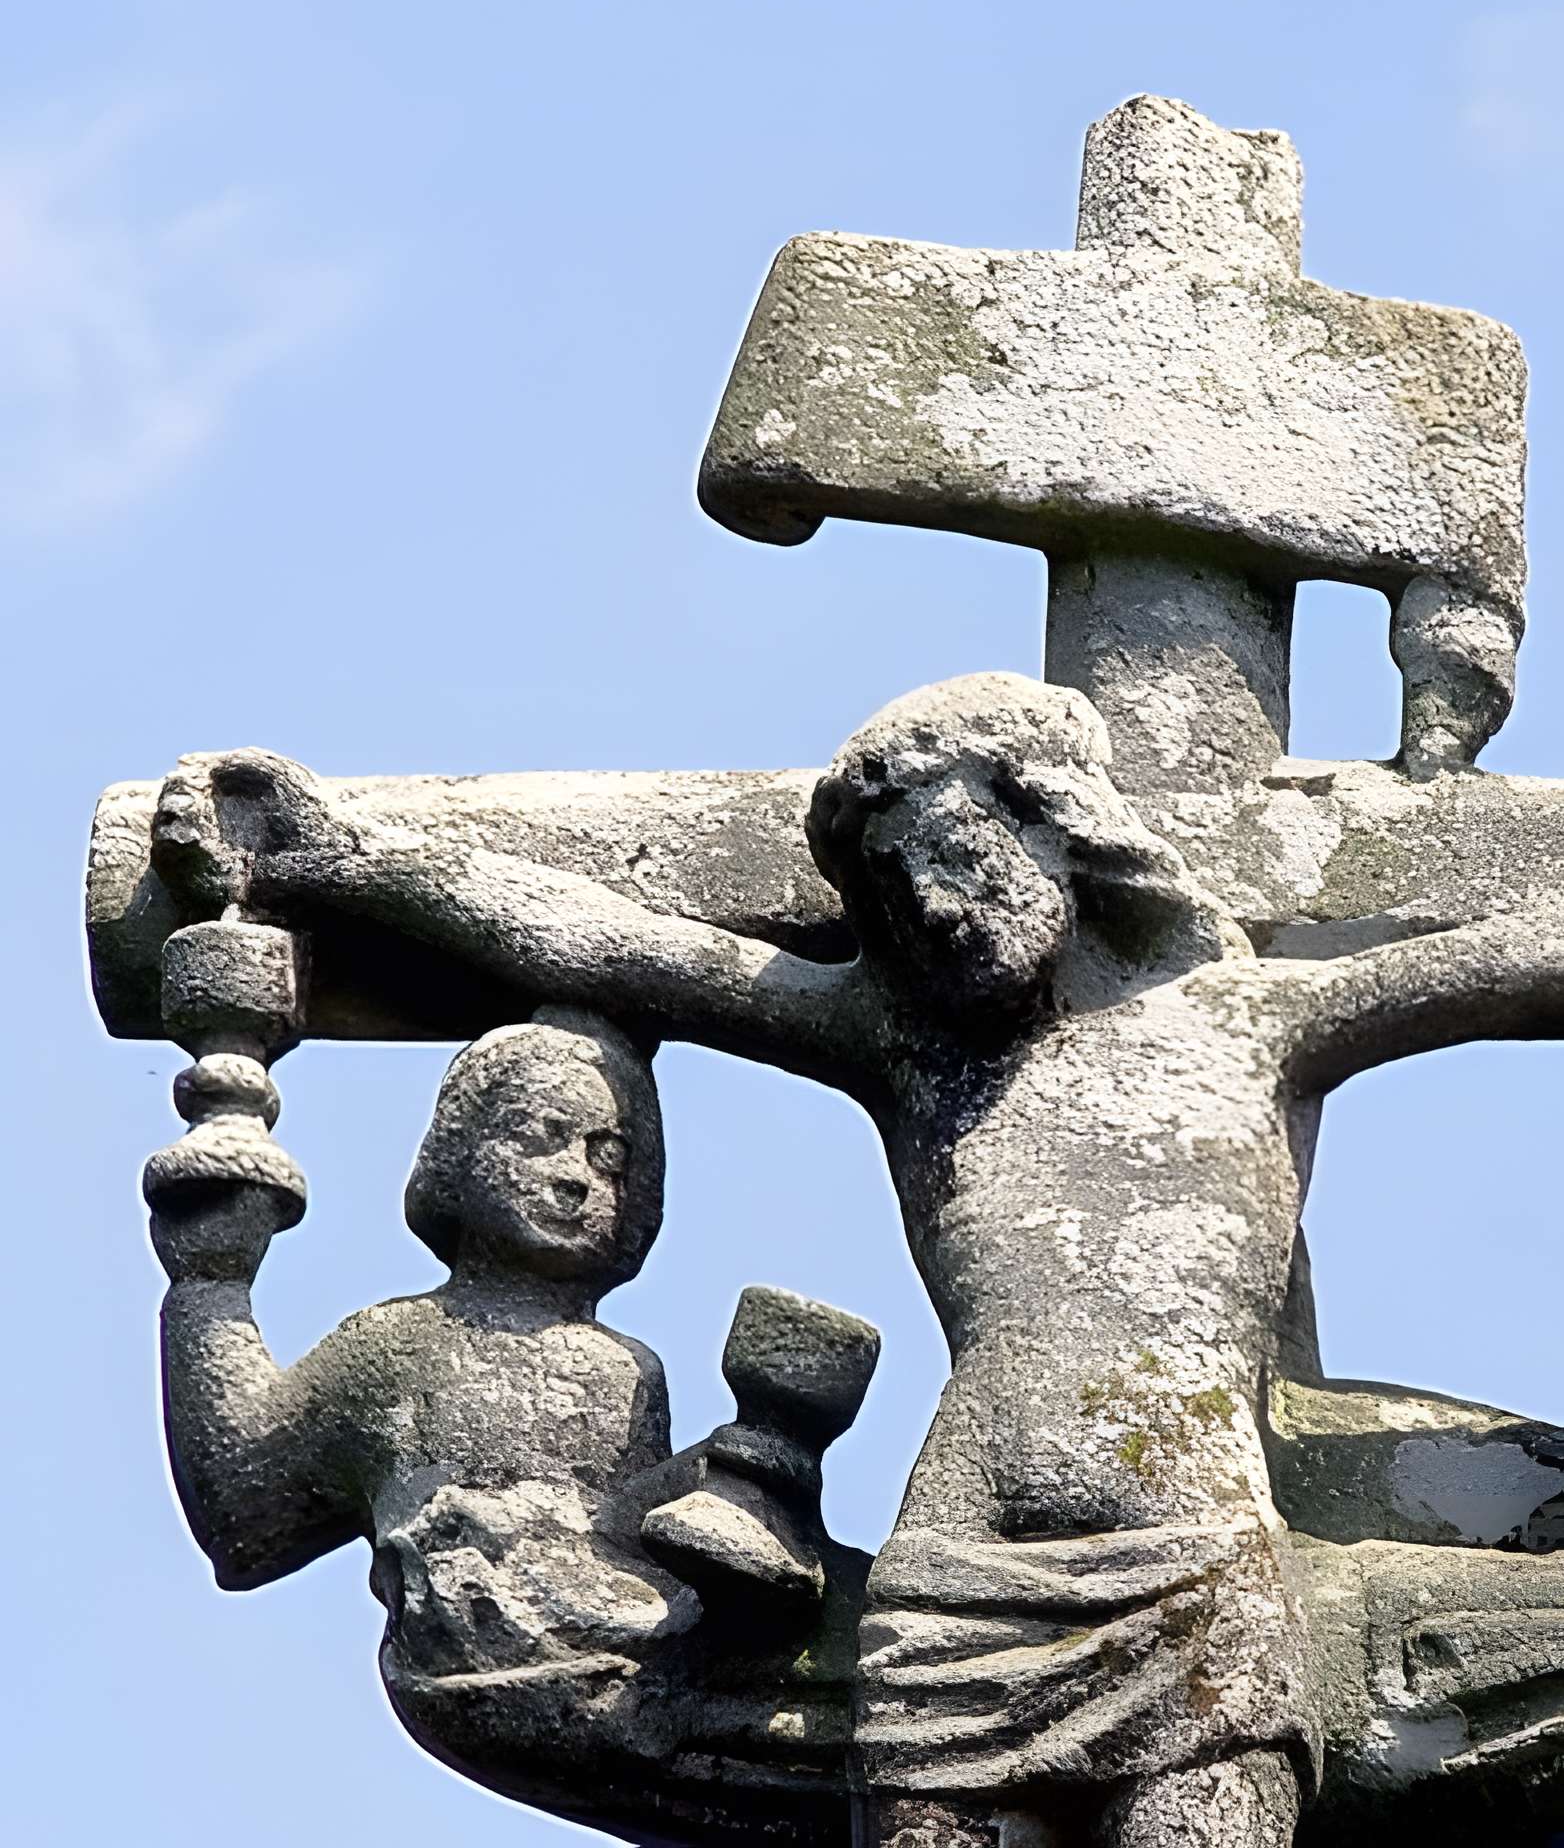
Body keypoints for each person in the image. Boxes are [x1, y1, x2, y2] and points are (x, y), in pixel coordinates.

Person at [151, 674, 1564, 1846]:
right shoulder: (904, 1048)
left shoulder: (1258, 1024)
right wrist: (340, 853)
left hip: (1188, 1560)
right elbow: (617, 945)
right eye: (897, 888)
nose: (935, 907)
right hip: (955, 1561)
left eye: (959, 857)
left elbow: (1521, 955)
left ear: (1061, 830)